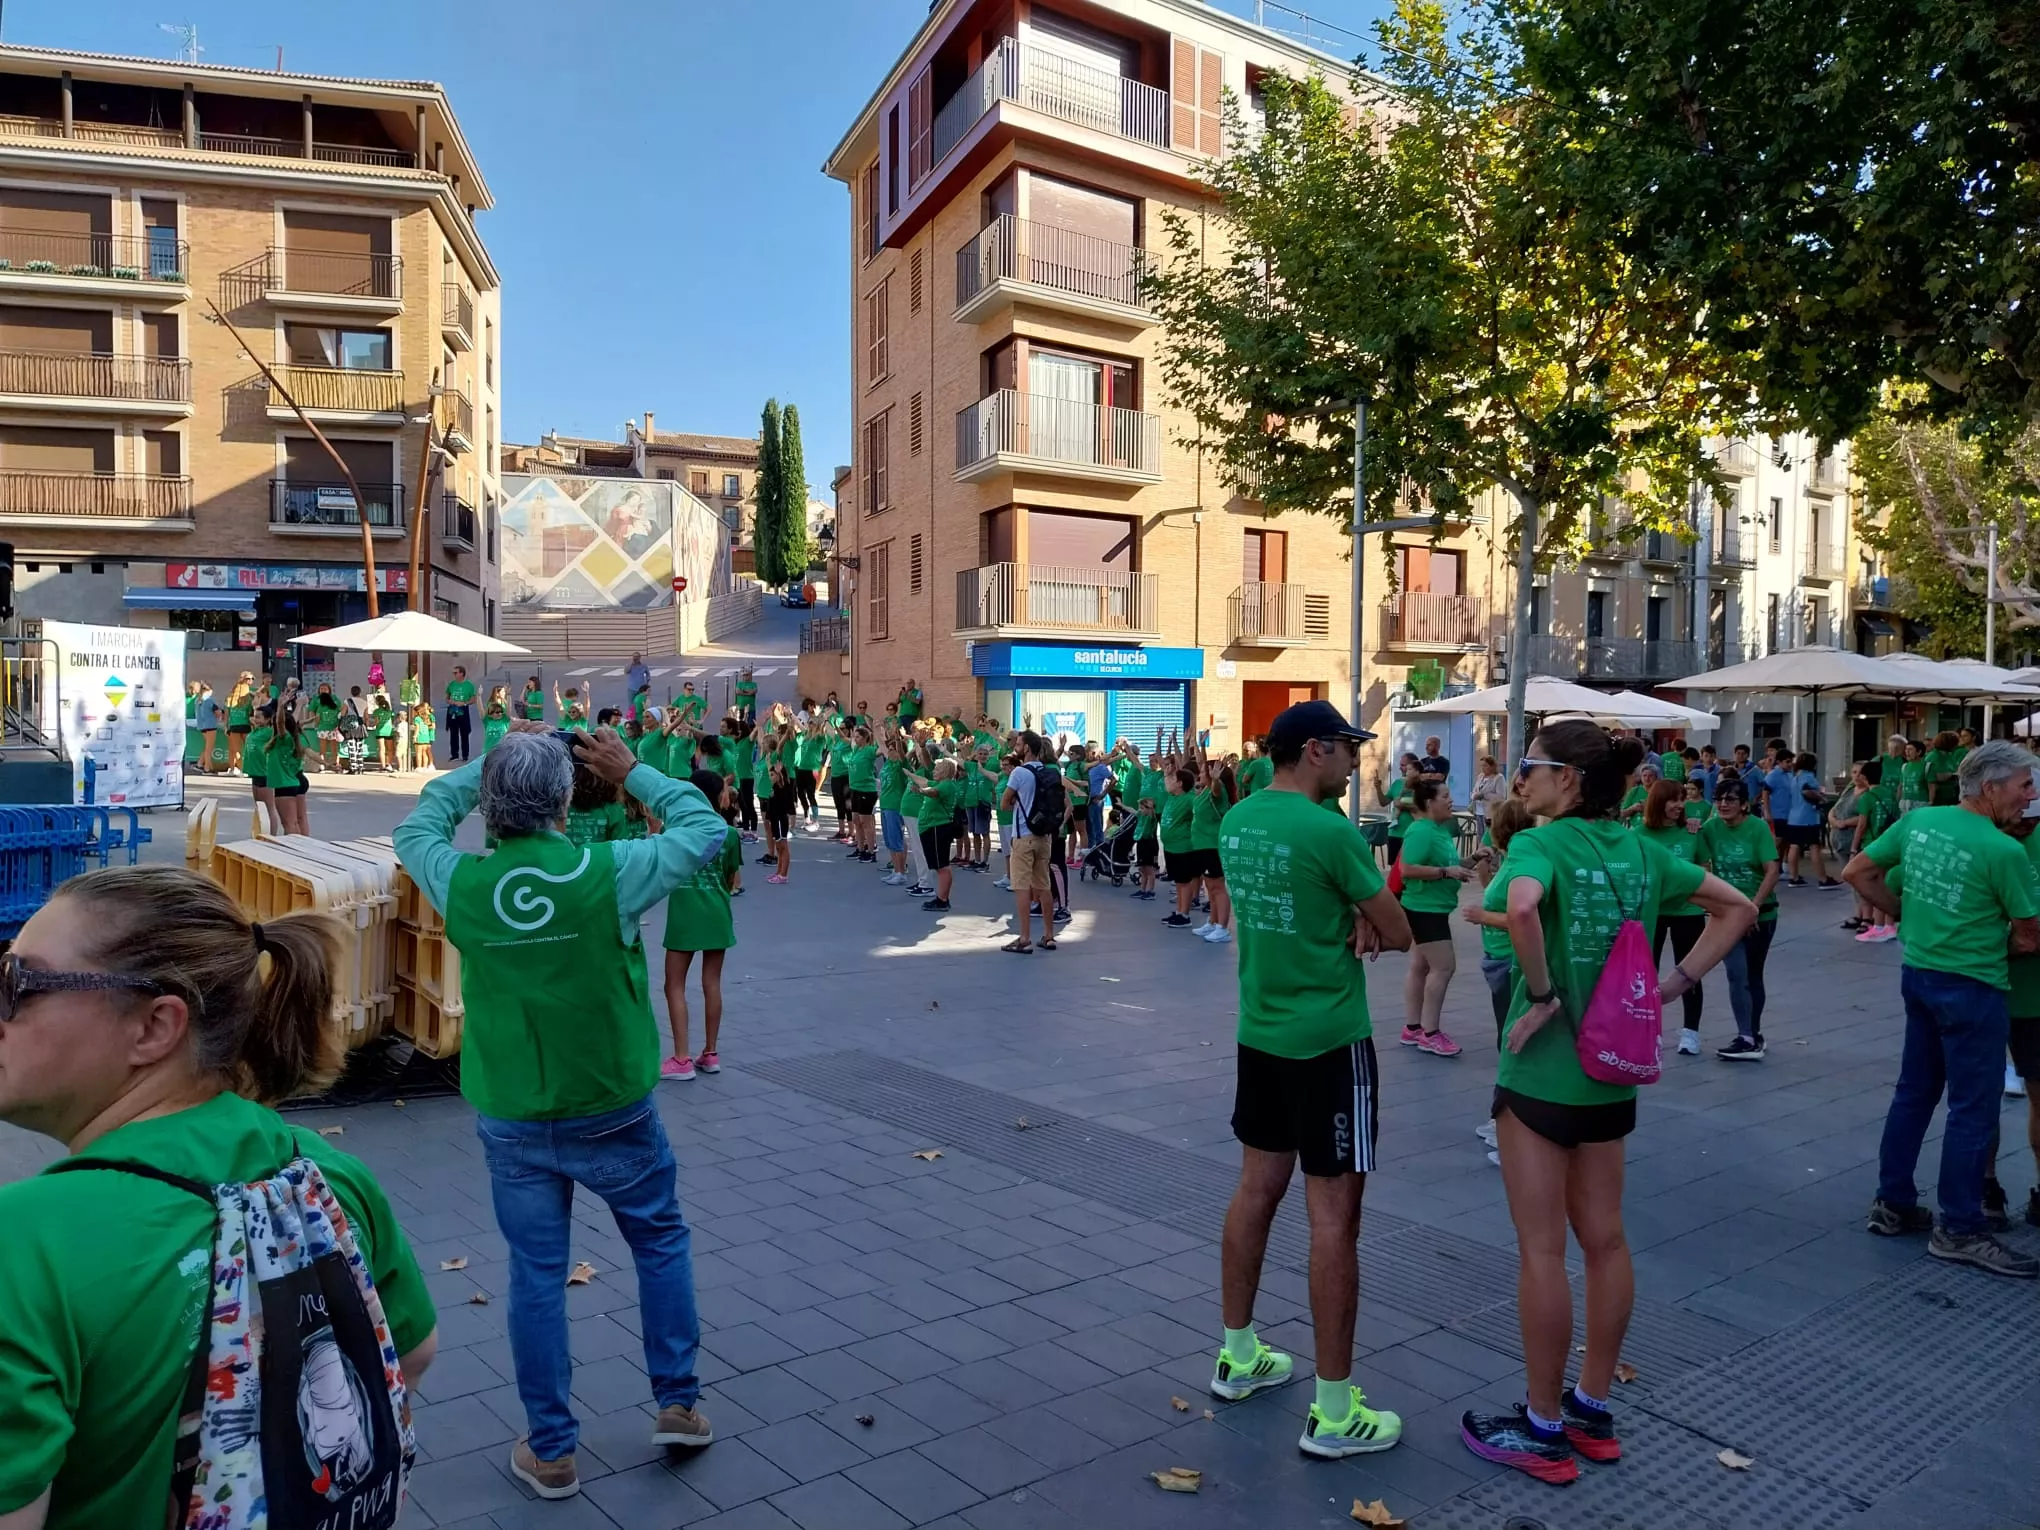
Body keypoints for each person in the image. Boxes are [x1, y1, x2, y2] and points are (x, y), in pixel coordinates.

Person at [0, 866, 438, 1527]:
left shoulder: (28, 1246)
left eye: (17, 984)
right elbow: (412, 1348)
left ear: (154, 1028)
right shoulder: (325, 1174)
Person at [394, 727, 731, 1496]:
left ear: (490, 805)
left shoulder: (460, 880)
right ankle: (677, 1403)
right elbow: (705, 828)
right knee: (657, 1239)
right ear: (567, 799)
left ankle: (551, 1450)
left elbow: (418, 823)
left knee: (536, 1275)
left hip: (512, 1107)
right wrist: (635, 770)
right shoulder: (609, 872)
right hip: (611, 1101)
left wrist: (487, 766)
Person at [1460, 722, 1752, 1483]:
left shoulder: (1539, 846)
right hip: (1612, 1076)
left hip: (1541, 1076)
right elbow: (1738, 910)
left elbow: (1520, 911)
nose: (1522, 778)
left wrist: (1546, 995)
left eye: (1533, 766)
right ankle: (1592, 1407)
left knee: (1541, 1251)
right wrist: (1674, 985)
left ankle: (1542, 1426)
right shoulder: (1645, 853)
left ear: (1572, 780)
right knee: (1607, 1242)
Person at [1214, 700, 1415, 1457]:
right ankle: (1334, 1413)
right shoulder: (1331, 831)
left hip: (1259, 1033)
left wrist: (1347, 914)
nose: (1356, 760)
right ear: (1312, 753)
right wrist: (1360, 918)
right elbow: (1397, 930)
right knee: (1335, 1222)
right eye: (1347, 748)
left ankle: (1238, 1356)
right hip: (1330, 1043)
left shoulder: (1239, 821)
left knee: (1254, 1191)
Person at [1843, 740, 2040, 1278]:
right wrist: (1986, 937)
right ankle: (1959, 1226)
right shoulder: (2004, 851)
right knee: (1973, 1109)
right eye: (2025, 785)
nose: (2032, 796)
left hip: (1920, 973)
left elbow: (1857, 873)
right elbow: (2029, 936)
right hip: (1974, 985)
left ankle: (1893, 1202)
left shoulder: (1921, 823)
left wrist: (1908, 916)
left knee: (1915, 1092)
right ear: (1991, 786)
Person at [662, 769, 743, 1081]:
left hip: (684, 911)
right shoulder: (729, 834)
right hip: (717, 911)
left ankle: (681, 1057)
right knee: (711, 983)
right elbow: (730, 875)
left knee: (674, 984)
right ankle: (710, 1052)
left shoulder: (677, 830)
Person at [1697, 779, 1781, 1059]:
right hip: (1726, 915)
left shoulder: (1757, 828)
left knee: (1753, 975)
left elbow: (1772, 870)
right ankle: (1745, 1036)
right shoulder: (1710, 828)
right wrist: (1690, 828)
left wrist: (1753, 908)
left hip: (1761, 914)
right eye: (1719, 799)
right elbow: (1694, 853)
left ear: (1745, 803)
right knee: (1736, 974)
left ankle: (1754, 1033)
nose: (1723, 804)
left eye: (1731, 799)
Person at [1397, 778, 1471, 1056]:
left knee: (1420, 967)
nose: (1450, 800)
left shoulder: (1438, 830)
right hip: (1424, 910)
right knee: (1444, 967)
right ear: (1429, 803)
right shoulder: (1421, 831)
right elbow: (1407, 869)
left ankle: (1413, 1028)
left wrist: (1472, 860)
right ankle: (1430, 1033)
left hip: (1433, 908)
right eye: (1445, 796)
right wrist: (1444, 873)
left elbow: (1449, 866)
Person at [1639, 779, 1708, 1047]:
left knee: (1690, 971)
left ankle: (1691, 1032)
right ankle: (1647, 1029)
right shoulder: (1639, 835)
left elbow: (1704, 868)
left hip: (1688, 912)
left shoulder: (1692, 832)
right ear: (1658, 802)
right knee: (1646, 973)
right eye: (1673, 800)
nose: (1680, 805)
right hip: (1652, 912)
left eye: (1682, 799)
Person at [1000, 730, 1060, 952]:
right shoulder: (1048, 771)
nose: (1016, 745)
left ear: (1026, 748)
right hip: (1044, 835)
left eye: (1018, 742)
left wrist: (1016, 799)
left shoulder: (1019, 773)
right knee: (1043, 886)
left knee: (1022, 887)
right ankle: (1049, 935)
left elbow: (1004, 803)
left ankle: (1024, 938)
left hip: (1023, 836)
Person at [906, 755, 963, 912]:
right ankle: (942, 898)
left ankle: (942, 900)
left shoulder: (946, 785)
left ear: (945, 771)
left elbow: (933, 792)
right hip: (933, 827)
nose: (934, 771)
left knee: (942, 867)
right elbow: (924, 781)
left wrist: (920, 791)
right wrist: (909, 774)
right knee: (940, 866)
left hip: (937, 828)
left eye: (937, 768)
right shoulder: (943, 783)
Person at [1782, 752, 1840, 887]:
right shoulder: (1809, 777)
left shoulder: (1795, 778)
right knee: (1814, 847)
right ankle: (1823, 879)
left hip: (1794, 817)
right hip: (1808, 816)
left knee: (1794, 846)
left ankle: (1794, 877)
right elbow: (1807, 791)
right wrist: (1820, 798)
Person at [265, 697, 312, 836]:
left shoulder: (283, 739)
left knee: (289, 823)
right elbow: (290, 720)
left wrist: (280, 706)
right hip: (293, 780)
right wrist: (299, 706)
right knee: (298, 819)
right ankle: (303, 845)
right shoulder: (294, 737)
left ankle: (294, 849)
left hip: (285, 782)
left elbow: (281, 722)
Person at [224, 671, 254, 774]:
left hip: (234, 726)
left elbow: (227, 715)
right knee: (248, 748)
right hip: (246, 725)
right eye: (249, 679)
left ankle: (240, 768)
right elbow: (250, 713)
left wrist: (226, 726)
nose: (251, 681)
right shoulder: (249, 699)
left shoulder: (230, 698)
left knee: (236, 750)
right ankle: (248, 767)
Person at [444, 664, 476, 762]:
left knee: (464, 733)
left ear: (462, 674)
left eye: (456, 672)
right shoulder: (452, 684)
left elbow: (473, 699)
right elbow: (447, 696)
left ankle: (465, 755)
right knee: (453, 733)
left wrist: (464, 703)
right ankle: (454, 755)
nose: (454, 674)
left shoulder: (469, 685)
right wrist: (450, 701)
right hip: (452, 710)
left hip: (463, 710)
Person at [1470, 754, 1507, 833]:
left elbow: (1501, 797)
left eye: (1485, 765)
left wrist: (1484, 795)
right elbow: (1474, 790)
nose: (1482, 768)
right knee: (1480, 835)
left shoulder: (1499, 778)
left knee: (1488, 837)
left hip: (1490, 813)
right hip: (1478, 811)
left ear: (1492, 766)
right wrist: (1473, 796)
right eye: (1481, 766)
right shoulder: (1480, 776)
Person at [192, 679, 221, 775]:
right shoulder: (209, 700)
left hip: (201, 726)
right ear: (209, 690)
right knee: (209, 748)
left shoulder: (197, 700)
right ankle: (207, 768)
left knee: (207, 746)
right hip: (210, 725)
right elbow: (217, 712)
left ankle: (200, 763)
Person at [483, 684, 513, 752]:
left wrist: (506, 697)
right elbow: (488, 714)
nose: (504, 693)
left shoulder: (503, 701)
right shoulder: (492, 703)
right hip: (494, 723)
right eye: (502, 692)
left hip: (503, 722)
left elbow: (508, 709)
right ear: (497, 693)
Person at [410, 700, 437, 771]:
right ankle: (425, 766)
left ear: (417, 712)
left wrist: (415, 736)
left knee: (419, 753)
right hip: (426, 737)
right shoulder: (426, 718)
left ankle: (419, 767)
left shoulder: (417, 719)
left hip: (420, 737)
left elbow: (417, 728)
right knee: (425, 752)